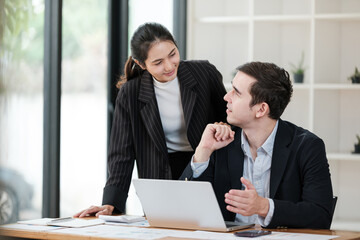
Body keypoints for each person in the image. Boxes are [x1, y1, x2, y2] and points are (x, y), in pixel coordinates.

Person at [74, 22, 227, 217]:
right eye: (158, 62)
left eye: (173, 54)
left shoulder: (204, 73)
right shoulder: (131, 93)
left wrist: (223, 126)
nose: (170, 66)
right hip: (159, 177)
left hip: (207, 168)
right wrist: (111, 203)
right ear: (141, 64)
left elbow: (230, 118)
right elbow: (122, 153)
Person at [180, 61, 334, 229]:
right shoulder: (222, 142)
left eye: (236, 93)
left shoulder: (307, 147)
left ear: (261, 109)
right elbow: (183, 206)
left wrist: (264, 207)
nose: (226, 97)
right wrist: (202, 152)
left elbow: (320, 214)